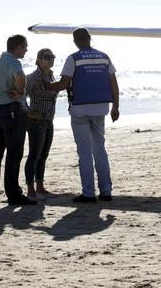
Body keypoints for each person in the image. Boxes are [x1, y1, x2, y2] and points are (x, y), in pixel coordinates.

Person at [45, 28, 119, 203]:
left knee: (85, 152)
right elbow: (113, 83)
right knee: (100, 150)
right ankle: (106, 191)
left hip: (80, 109)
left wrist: (46, 86)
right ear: (90, 39)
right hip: (101, 107)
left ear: (75, 41)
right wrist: (116, 106)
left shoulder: (74, 58)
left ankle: (88, 193)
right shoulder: (104, 57)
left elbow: (63, 84)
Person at [0, 34, 36, 205]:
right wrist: (20, 92)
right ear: (18, 47)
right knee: (14, 154)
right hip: (12, 111)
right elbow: (20, 76)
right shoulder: (13, 61)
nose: (26, 50)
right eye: (25, 47)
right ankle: (13, 195)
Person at [24, 48, 59, 201]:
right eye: (47, 57)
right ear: (38, 60)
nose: (51, 59)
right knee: (34, 155)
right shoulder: (32, 77)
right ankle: (30, 189)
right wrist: (29, 114)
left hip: (49, 120)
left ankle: (40, 187)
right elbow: (20, 97)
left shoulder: (51, 75)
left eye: (53, 57)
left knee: (43, 155)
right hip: (36, 121)